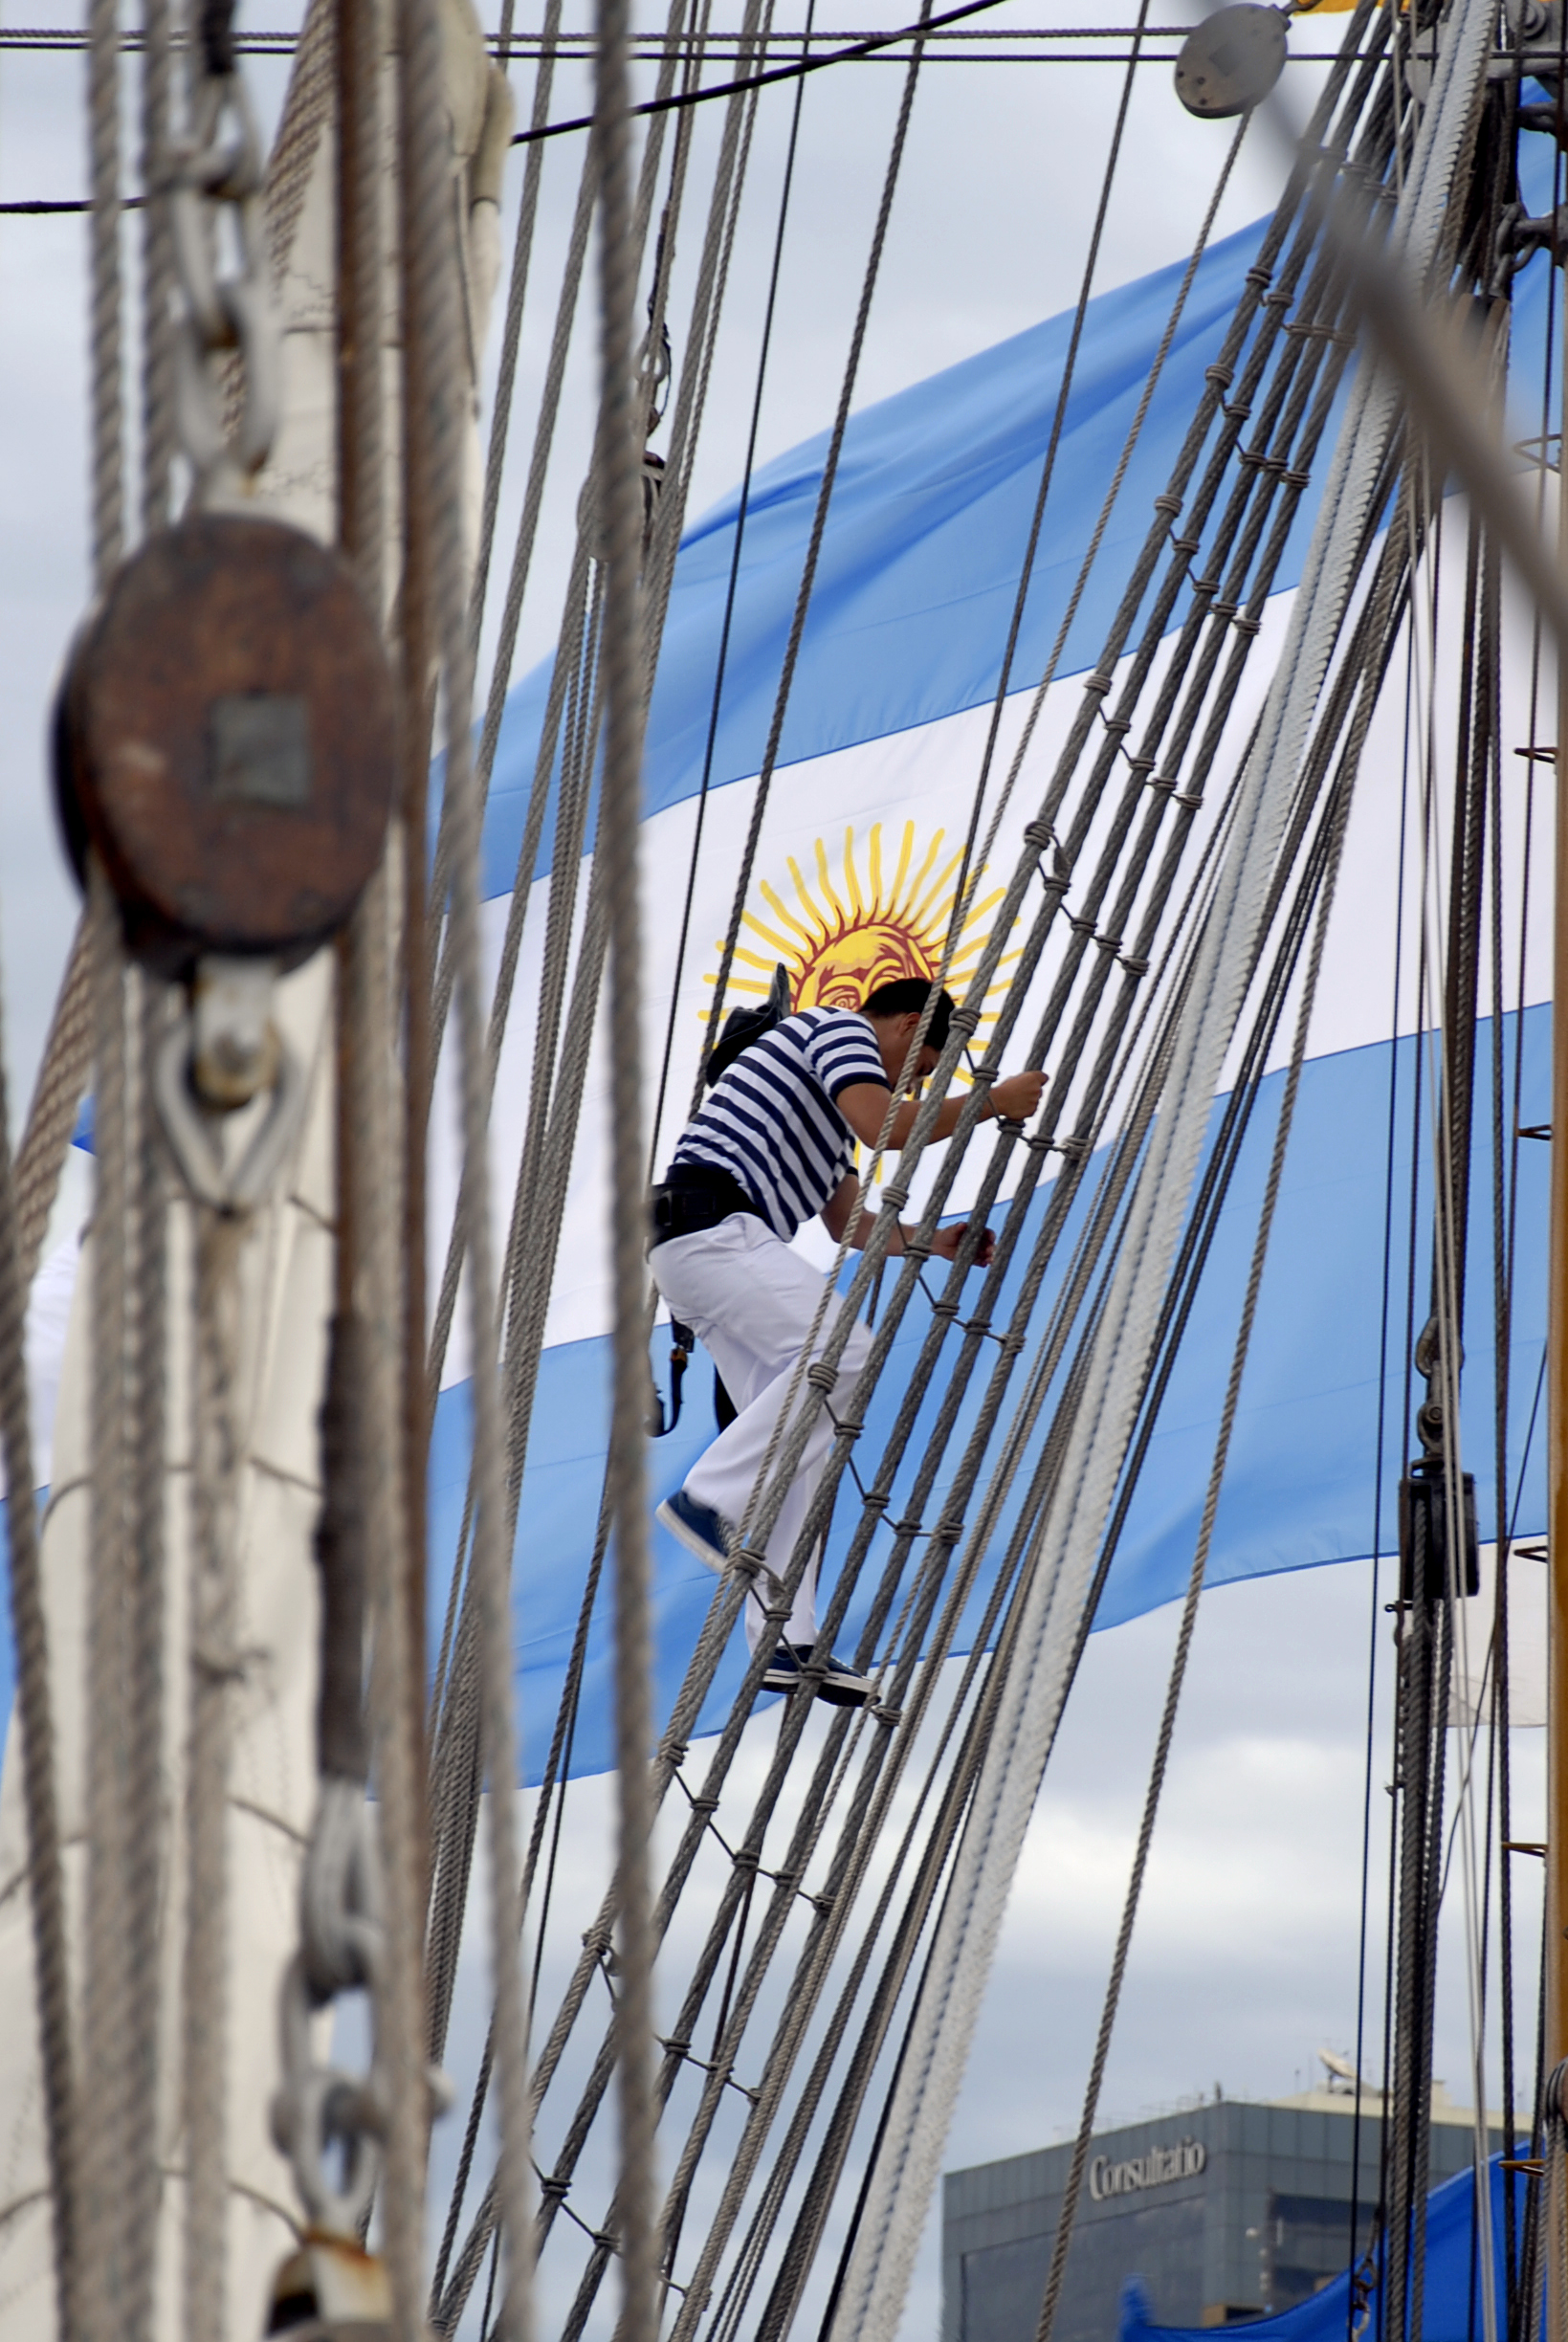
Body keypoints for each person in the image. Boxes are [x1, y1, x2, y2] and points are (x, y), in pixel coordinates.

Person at [650, 978, 1046, 1706]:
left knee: (806, 1436)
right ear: (901, 1025)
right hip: (713, 1229)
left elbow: (849, 1227)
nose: (912, 1081)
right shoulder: (836, 1030)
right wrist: (991, 1103)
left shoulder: (824, 1119)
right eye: (921, 1067)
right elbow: (886, 1128)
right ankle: (707, 1496)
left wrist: (937, 1241)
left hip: (702, 1247)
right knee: (844, 1354)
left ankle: (783, 1638)